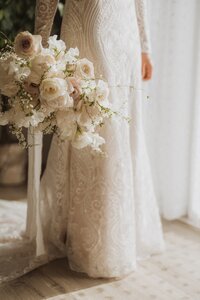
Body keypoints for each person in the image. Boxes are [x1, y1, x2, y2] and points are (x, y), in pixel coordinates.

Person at [0, 0, 164, 283]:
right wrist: (40, 40)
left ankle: (118, 234)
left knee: (117, 124)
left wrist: (145, 45)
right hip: (90, 23)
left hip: (124, 31)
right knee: (92, 120)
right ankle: (88, 239)